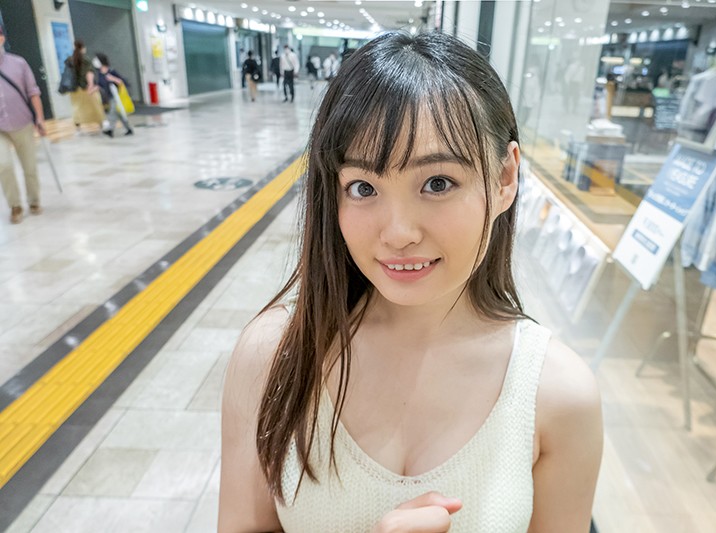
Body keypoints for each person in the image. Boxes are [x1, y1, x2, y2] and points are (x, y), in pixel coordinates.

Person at [219, 31, 602, 533]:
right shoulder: (273, 356)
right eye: (363, 187)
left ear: (505, 177)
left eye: (437, 183)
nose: (398, 233)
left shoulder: (557, 394)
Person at [0, 25, 46, 224]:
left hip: (22, 123)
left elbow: (33, 92)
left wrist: (40, 118)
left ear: (2, 38)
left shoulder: (19, 63)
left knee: (29, 166)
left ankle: (34, 200)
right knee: (3, 165)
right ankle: (15, 205)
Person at [65, 39, 104, 131]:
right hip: (85, 87)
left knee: (77, 107)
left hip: (74, 88)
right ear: (83, 48)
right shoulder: (85, 59)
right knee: (95, 106)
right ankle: (100, 124)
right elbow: (89, 72)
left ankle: (77, 126)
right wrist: (91, 85)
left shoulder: (69, 60)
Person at [94, 53, 133, 138]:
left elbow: (121, 81)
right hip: (109, 96)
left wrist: (113, 79)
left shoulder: (111, 71)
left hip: (117, 96)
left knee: (112, 112)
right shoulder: (100, 73)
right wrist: (93, 89)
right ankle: (128, 128)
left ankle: (110, 130)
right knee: (119, 113)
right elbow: (100, 84)